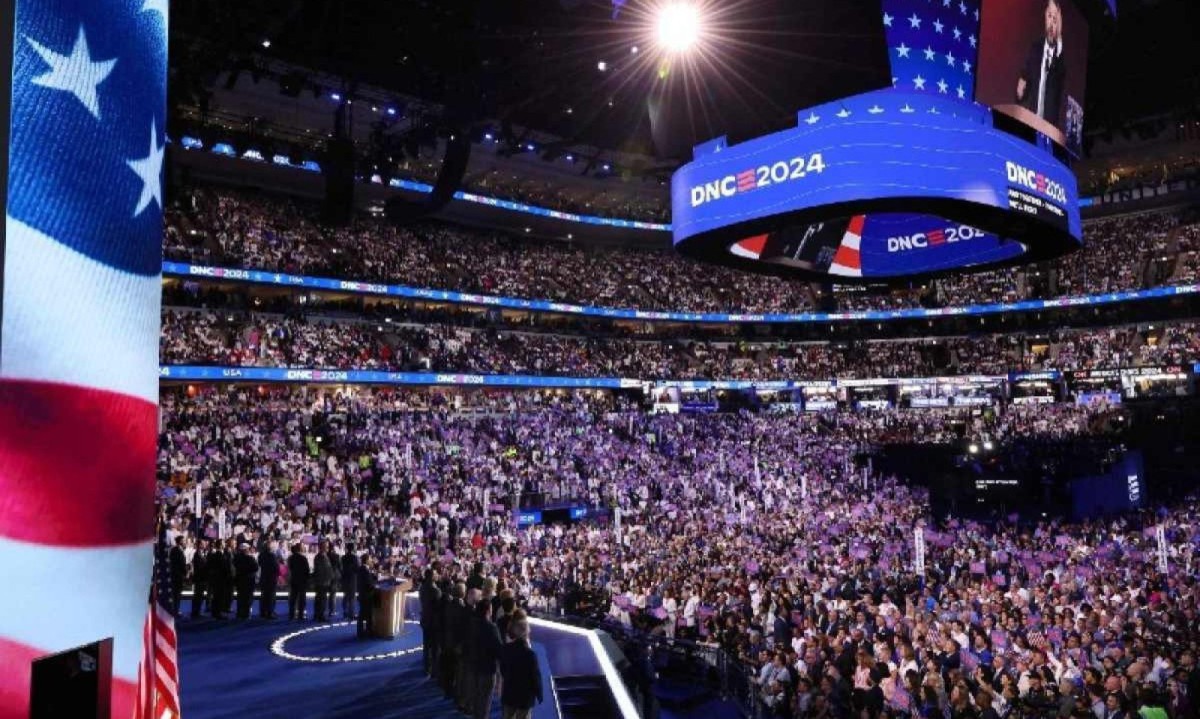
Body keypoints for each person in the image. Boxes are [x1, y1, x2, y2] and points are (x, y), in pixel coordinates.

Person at [1016, 0, 1067, 127]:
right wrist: (1020, 90)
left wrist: (1059, 36)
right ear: (1045, 17)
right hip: (1030, 123)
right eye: (1050, 16)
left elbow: (1059, 70)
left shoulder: (1061, 57)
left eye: (1056, 19)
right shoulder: (1035, 49)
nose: (1052, 23)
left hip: (1049, 131)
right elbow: (1023, 90)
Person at [498, 619, 543, 719]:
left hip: (509, 693)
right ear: (525, 634)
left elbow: (502, 669)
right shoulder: (530, 654)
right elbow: (535, 676)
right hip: (524, 697)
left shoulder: (506, 649)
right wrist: (539, 694)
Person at [470, 599, 503, 719]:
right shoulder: (491, 627)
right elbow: (499, 650)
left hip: (473, 665)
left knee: (477, 696)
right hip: (487, 668)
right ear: (488, 610)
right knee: (485, 700)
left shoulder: (472, 623)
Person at [419, 568, 442, 677]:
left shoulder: (422, 587)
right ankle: (434, 670)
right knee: (434, 647)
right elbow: (439, 607)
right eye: (436, 573)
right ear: (431, 576)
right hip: (434, 622)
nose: (437, 575)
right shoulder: (435, 590)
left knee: (426, 646)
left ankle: (426, 668)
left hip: (425, 619)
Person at [232, 542, 259, 619]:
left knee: (240, 597)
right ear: (246, 549)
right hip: (249, 580)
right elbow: (256, 568)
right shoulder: (250, 558)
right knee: (248, 597)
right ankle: (246, 613)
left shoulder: (236, 558)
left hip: (239, 580)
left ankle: (239, 613)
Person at [356, 553, 377, 638]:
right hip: (366, 595)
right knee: (364, 614)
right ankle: (363, 632)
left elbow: (370, 579)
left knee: (367, 614)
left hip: (364, 594)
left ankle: (367, 631)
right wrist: (374, 585)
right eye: (370, 558)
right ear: (367, 560)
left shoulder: (364, 569)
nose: (371, 560)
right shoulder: (363, 570)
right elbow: (368, 584)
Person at [287, 543, 310, 620]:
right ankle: (300, 615)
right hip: (302, 580)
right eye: (302, 547)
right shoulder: (303, 558)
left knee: (293, 598)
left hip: (293, 579)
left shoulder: (290, 558)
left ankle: (291, 614)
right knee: (301, 598)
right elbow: (307, 570)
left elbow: (290, 568)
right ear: (300, 549)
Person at [312, 541, 334, 622]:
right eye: (326, 546)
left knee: (320, 598)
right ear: (322, 547)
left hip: (325, 581)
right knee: (321, 599)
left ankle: (318, 614)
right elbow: (321, 570)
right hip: (321, 581)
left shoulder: (324, 556)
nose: (327, 548)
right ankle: (320, 615)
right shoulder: (319, 557)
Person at [258, 541, 280, 619]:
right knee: (271, 596)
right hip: (271, 578)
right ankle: (270, 612)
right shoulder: (272, 556)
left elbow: (260, 564)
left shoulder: (261, 555)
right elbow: (276, 567)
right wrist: (278, 575)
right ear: (269, 547)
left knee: (264, 595)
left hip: (264, 577)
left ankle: (263, 612)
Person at [168, 536, 187, 616]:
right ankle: (175, 611)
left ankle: (176, 610)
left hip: (178, 575)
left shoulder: (178, 550)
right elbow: (179, 564)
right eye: (183, 540)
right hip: (176, 575)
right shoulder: (176, 550)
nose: (184, 542)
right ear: (179, 541)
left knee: (177, 594)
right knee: (176, 594)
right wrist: (185, 572)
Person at [339, 544, 359, 620]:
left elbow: (341, 568)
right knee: (351, 597)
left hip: (345, 579)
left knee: (346, 596)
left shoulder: (343, 558)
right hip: (352, 579)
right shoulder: (354, 558)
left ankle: (345, 612)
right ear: (353, 549)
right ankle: (351, 613)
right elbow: (357, 568)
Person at [190, 539, 209, 618]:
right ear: (199, 545)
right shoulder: (197, 554)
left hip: (202, 578)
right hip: (199, 578)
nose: (205, 545)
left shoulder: (202, 553)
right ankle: (195, 612)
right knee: (198, 596)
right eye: (203, 543)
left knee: (200, 596)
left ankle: (197, 611)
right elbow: (199, 567)